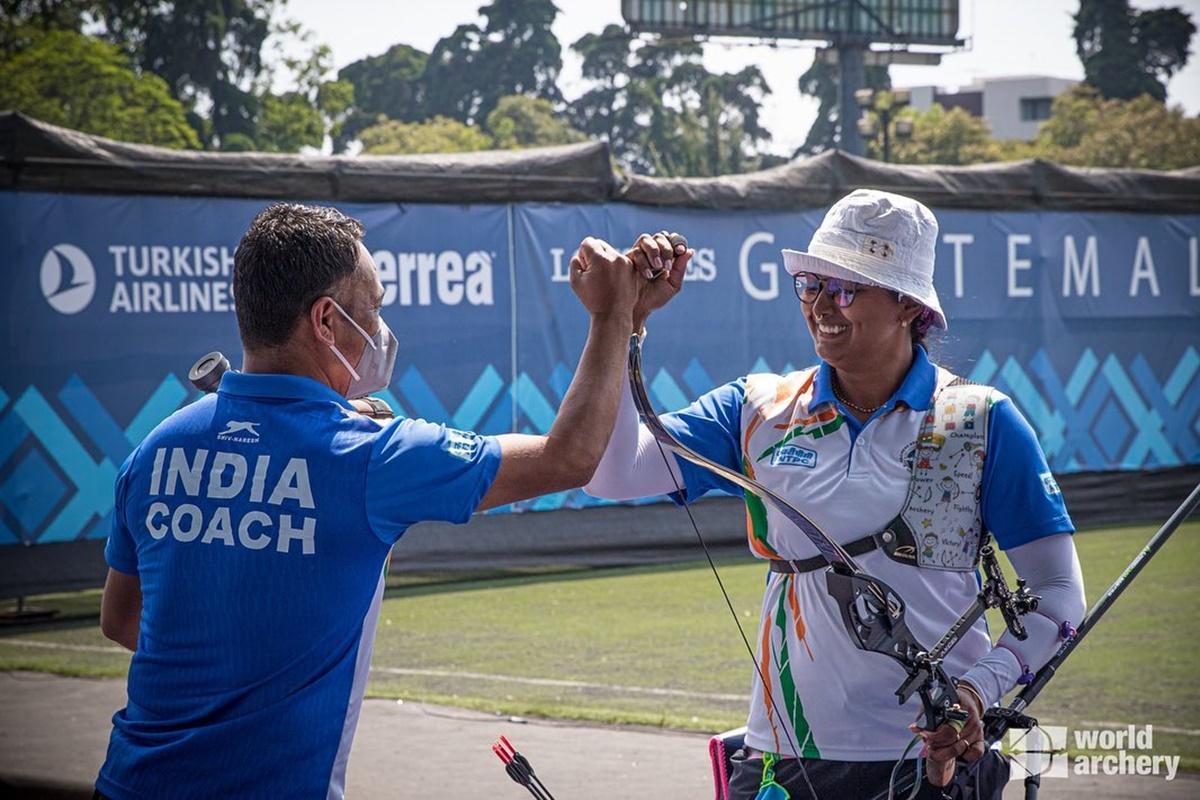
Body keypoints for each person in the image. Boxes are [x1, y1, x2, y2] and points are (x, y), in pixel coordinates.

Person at [95, 203, 685, 799]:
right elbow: (570, 457)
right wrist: (615, 316)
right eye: (373, 308)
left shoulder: (156, 448)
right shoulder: (370, 454)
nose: (379, 327)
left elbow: (121, 618)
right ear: (326, 321)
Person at [587, 192, 1087, 799]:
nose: (822, 304)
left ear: (907, 305)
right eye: (810, 283)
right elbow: (611, 474)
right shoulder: (757, 408)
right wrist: (619, 322)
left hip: (932, 758)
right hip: (782, 756)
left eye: (847, 288)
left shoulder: (980, 421)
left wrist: (977, 690)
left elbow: (1058, 594)